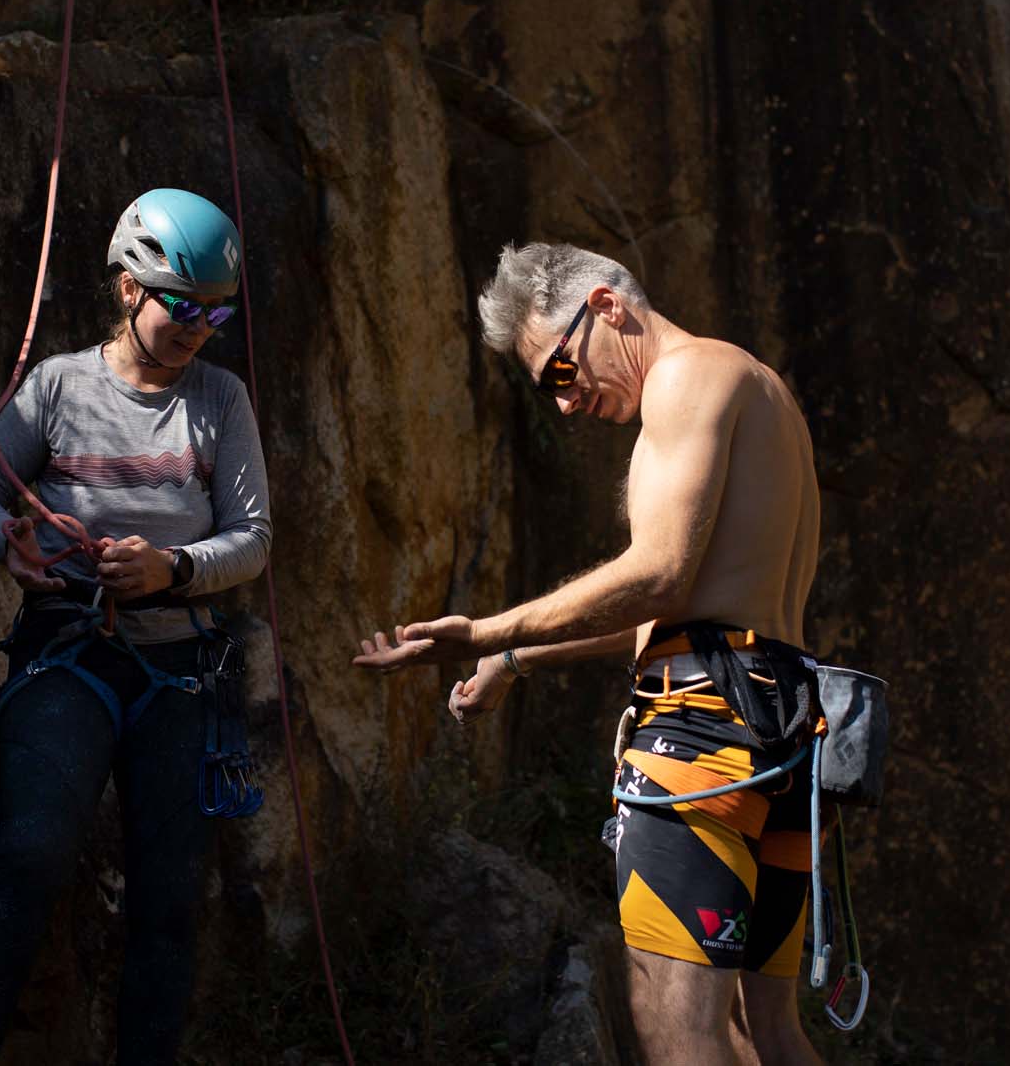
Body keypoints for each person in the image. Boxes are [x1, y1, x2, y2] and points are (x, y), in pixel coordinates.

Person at [354, 242, 826, 1066]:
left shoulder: (685, 378)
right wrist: (519, 659)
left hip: (703, 736)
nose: (565, 404)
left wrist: (489, 631)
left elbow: (658, 572)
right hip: (780, 738)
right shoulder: (765, 394)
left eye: (561, 372)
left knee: (679, 1033)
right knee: (769, 1037)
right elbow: (690, 602)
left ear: (607, 307)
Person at [0, 188, 271, 1066]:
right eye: (186, 306)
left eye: (218, 311)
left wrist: (174, 569)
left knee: (167, 902)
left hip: (178, 668)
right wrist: (9, 548)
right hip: (68, 652)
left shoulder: (220, 400)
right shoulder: (55, 386)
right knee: (31, 854)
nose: (202, 326)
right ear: (129, 289)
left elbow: (253, 538)